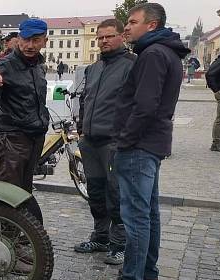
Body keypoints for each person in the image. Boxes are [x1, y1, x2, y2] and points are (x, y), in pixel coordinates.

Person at [91, 3, 189, 280]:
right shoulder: (166, 52)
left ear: (152, 25)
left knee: (136, 217)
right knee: (148, 213)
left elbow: (145, 106)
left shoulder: (153, 55)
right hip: (152, 143)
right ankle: (147, 272)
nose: (127, 27)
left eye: (132, 22)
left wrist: (124, 140)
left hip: (138, 146)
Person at [73, 18, 135, 266]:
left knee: (116, 194)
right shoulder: (94, 68)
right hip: (90, 140)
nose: (104, 41)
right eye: (100, 37)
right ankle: (100, 237)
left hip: (114, 142)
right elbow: (86, 100)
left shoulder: (132, 65)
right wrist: (81, 130)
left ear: (122, 36)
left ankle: (119, 244)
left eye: (109, 36)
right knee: (95, 192)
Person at [0, 18, 50, 226]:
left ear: (44, 41)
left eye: (36, 40)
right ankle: (6, 241)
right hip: (11, 137)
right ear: (19, 39)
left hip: (34, 136)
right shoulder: (6, 64)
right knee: (8, 193)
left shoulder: (39, 65)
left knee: (24, 190)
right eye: (26, 40)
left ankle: (24, 237)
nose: (30, 45)